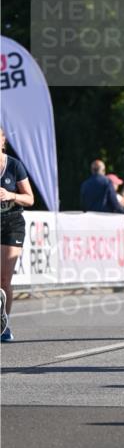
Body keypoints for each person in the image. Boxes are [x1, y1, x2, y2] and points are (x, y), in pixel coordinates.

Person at [0, 126, 35, 342]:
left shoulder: (14, 165)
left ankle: (3, 325)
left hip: (12, 222)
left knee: (4, 279)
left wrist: (10, 194)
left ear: (2, 141)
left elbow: (30, 199)